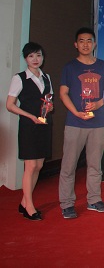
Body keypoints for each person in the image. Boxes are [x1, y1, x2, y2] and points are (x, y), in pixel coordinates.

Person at [58, 27, 104, 219]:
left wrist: (98, 104)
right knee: (69, 165)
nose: (86, 44)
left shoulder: (103, 66)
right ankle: (67, 203)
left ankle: (94, 199)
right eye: (81, 41)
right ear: (76, 44)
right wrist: (76, 113)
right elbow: (63, 93)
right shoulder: (70, 67)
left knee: (95, 165)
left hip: (98, 123)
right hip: (75, 123)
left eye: (89, 40)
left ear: (94, 43)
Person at [6, 42, 53, 221]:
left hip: (44, 125)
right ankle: (29, 207)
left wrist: (50, 107)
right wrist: (29, 116)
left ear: (43, 58)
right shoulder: (19, 78)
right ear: (25, 58)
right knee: (30, 166)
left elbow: (49, 100)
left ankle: (24, 201)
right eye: (31, 56)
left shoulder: (46, 77)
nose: (35, 59)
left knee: (39, 166)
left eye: (38, 55)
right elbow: (10, 105)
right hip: (28, 126)